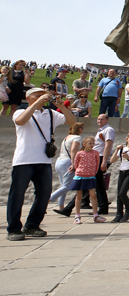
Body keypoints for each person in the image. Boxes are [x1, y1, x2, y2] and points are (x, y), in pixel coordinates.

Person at [7, 87, 77, 240]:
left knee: (44, 194)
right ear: (29, 97)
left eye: (43, 95)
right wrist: (37, 102)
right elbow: (20, 121)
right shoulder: (21, 111)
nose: (43, 97)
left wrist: (63, 107)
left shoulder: (50, 114)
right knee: (17, 194)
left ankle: (32, 225)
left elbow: (72, 122)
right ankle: (13, 229)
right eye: (38, 95)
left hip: (43, 160)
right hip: (24, 160)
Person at [69, 136, 106, 224]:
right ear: (84, 144)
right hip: (80, 176)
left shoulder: (95, 153)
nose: (92, 145)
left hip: (91, 176)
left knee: (93, 195)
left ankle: (95, 215)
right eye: (90, 143)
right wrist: (78, 171)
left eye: (93, 143)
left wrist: (93, 172)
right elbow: (76, 163)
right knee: (79, 196)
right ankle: (77, 216)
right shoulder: (79, 153)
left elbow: (97, 164)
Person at [109, 132, 129, 222]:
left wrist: (127, 156)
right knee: (119, 194)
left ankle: (128, 210)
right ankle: (119, 214)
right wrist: (117, 150)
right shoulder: (122, 149)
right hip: (122, 171)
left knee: (122, 193)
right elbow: (112, 160)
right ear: (127, 139)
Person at [50, 122, 84, 212]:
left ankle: (61, 206)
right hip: (67, 162)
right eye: (81, 128)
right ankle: (48, 199)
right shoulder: (77, 137)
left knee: (63, 185)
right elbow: (73, 149)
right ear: (78, 129)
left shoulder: (67, 137)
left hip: (60, 161)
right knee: (67, 186)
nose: (82, 130)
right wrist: (73, 163)